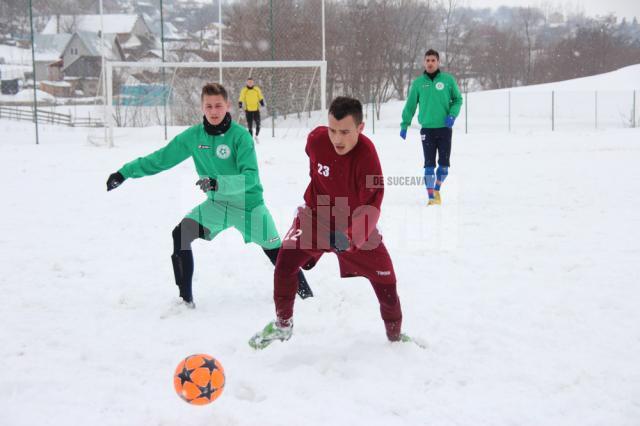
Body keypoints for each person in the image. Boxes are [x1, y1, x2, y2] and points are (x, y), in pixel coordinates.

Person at [106, 82, 312, 308]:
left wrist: (217, 183)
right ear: (202, 107)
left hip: (249, 206)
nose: (214, 111)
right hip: (217, 206)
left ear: (228, 106)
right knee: (181, 234)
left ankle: (308, 298)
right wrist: (125, 172)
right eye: (209, 106)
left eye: (218, 106)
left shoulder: (240, 137)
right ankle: (186, 301)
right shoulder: (194, 137)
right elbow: (162, 158)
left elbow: (250, 178)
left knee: (279, 255)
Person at [249, 97, 410, 350]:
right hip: (317, 215)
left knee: (386, 283)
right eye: (333, 130)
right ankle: (283, 325)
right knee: (285, 262)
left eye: (345, 132)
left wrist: (350, 236)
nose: (337, 139)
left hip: (356, 225)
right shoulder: (315, 140)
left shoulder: (368, 159)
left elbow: (372, 205)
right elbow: (316, 169)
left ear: (361, 128)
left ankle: (396, 338)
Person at [400, 49, 462, 206]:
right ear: (424, 62)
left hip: (444, 129)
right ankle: (431, 198)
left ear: (438, 62)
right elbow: (410, 106)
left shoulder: (448, 80)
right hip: (427, 130)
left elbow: (457, 99)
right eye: (427, 60)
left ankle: (436, 190)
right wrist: (405, 124)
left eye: (433, 60)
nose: (430, 63)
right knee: (428, 166)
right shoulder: (419, 83)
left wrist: (452, 115)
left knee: (444, 167)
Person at [238, 77, 265, 142]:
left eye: (251, 82)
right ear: (247, 83)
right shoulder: (244, 90)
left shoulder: (256, 89)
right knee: (250, 126)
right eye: (249, 82)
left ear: (253, 83)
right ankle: (250, 138)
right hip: (248, 110)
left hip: (256, 110)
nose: (250, 83)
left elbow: (260, 96)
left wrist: (262, 103)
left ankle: (256, 135)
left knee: (258, 124)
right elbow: (241, 98)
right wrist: (240, 106)